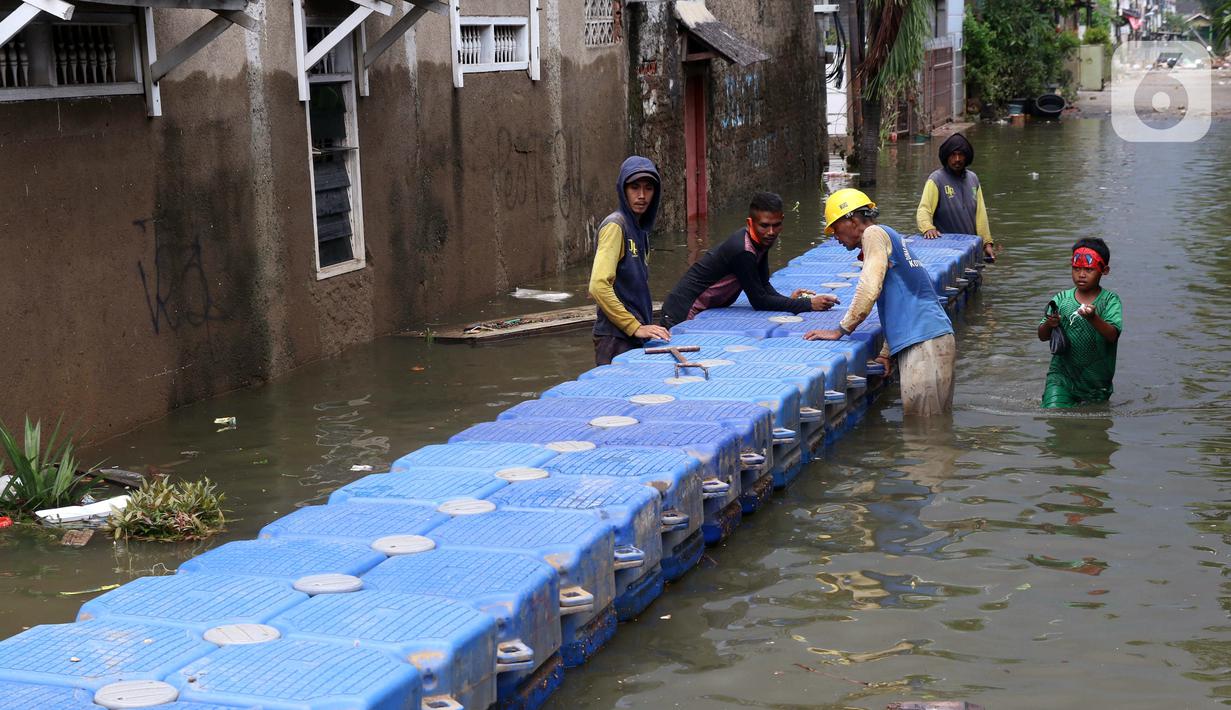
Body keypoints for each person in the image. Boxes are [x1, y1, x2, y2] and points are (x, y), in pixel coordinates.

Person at [805, 188, 956, 416]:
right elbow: (901, 301)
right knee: (933, 426)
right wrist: (886, 352)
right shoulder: (890, 238)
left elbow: (868, 288)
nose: (834, 237)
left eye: (835, 228)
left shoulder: (873, 234)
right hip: (934, 338)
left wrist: (840, 330)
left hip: (924, 344)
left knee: (922, 434)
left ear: (853, 220)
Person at [660, 191, 839, 327]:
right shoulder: (743, 251)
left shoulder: (761, 241)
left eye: (776, 225)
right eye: (764, 226)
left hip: (699, 309)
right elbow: (759, 300)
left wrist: (790, 301)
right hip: (681, 312)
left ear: (782, 220)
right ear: (750, 223)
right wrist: (807, 304)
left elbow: (764, 285)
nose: (771, 232)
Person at [588, 156, 672, 366]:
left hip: (632, 335)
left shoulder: (640, 231)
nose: (642, 195)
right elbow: (598, 286)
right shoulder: (616, 226)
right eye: (634, 187)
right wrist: (634, 327)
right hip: (615, 338)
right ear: (623, 190)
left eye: (648, 188)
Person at [1037, 238, 1122, 409]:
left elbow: (1112, 335)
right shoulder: (1061, 299)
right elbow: (1042, 336)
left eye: (1089, 269)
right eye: (1076, 268)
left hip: (1096, 382)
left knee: (1091, 429)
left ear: (1104, 271)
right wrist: (1050, 323)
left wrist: (1093, 318)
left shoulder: (1110, 301)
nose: (1081, 274)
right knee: (1054, 414)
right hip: (1061, 376)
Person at [915, 132, 997, 262]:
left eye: (961, 155)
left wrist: (986, 243)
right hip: (944, 253)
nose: (957, 159)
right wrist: (928, 228)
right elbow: (924, 209)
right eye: (953, 155)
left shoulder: (973, 179)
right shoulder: (936, 179)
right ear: (947, 157)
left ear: (966, 157)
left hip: (970, 249)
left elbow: (981, 215)